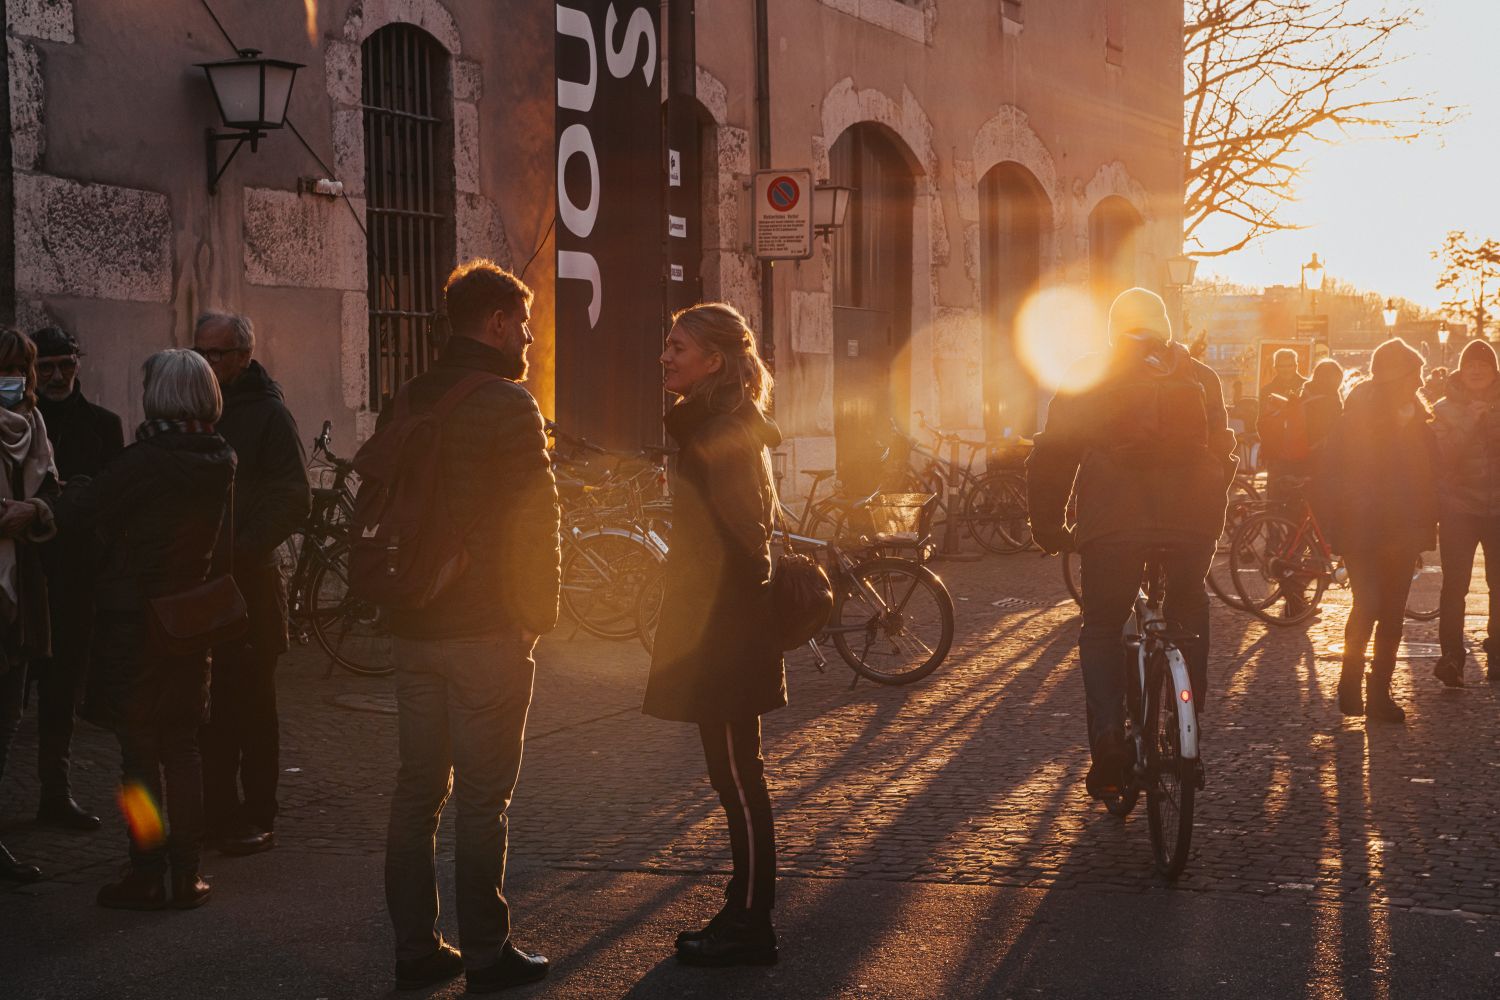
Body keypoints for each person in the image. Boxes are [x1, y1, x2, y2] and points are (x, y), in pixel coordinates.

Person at [381, 260, 559, 994]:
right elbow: (536, 520)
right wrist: (536, 618)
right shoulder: (509, 402)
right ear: (494, 323)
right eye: (522, 322)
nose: (527, 335)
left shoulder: (411, 396)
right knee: (484, 798)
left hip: (411, 622)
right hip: (485, 628)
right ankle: (487, 953)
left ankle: (415, 950)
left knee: (417, 790)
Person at [1027, 288, 1235, 798]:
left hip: (1114, 524)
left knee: (1101, 626)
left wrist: (1048, 527)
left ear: (1113, 330)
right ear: (1165, 328)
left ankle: (1109, 743)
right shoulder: (1199, 376)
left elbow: (1053, 456)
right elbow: (1224, 450)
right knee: (1190, 605)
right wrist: (1205, 514)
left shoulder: (1090, 374)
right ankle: (1189, 721)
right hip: (1191, 522)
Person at [54, 350, 235, 909]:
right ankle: (187, 874)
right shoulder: (221, 457)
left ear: (159, 396)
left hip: (133, 621)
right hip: (187, 619)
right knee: (182, 747)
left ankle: (146, 870)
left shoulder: (146, 460)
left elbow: (79, 512)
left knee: (137, 753)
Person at [644, 302, 786, 967]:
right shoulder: (711, 425)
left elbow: (746, 546)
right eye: (667, 346)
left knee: (738, 776)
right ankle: (744, 910)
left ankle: (751, 923)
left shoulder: (718, 432)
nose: (667, 356)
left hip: (726, 636)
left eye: (678, 347)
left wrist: (707, 621)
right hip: (721, 630)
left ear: (714, 362)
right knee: (731, 776)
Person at [192, 312, 309, 856]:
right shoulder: (198, 411)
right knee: (212, 711)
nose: (209, 363)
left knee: (255, 709)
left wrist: (242, 546)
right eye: (202, 352)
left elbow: (294, 498)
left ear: (243, 355)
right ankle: (218, 812)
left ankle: (259, 810)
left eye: (218, 354)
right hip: (204, 586)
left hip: (253, 589)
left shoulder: (268, 415)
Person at [28, 326, 124, 831]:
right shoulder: (15, 424)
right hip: (22, 576)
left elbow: (113, 500)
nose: (58, 376)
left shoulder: (104, 425)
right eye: (47, 367)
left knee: (63, 690)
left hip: (75, 577)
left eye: (66, 364)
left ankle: (54, 793)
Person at [1320, 338, 1438, 722]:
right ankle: (1350, 679)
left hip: (1401, 528)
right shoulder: (1356, 418)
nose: (1419, 383)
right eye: (1413, 375)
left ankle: (1378, 692)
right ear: (1393, 377)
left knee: (1391, 613)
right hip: (1363, 528)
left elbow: (1428, 476)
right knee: (1368, 602)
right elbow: (1338, 472)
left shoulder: (1418, 418)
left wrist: (1424, 527)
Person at [0, 328, 62, 883]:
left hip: (24, 590)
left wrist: (35, 513)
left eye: (22, 366)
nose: (14, 376)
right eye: (4, 366)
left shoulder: (36, 427)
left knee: (8, 713)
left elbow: (52, 494)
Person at [1431, 340, 1500, 686]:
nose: (1476, 370)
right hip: (1459, 508)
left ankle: (1499, 653)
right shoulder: (1443, 409)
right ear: (1461, 369)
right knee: (1454, 586)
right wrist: (1471, 422)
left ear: (1494, 371)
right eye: (1470, 364)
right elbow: (1444, 457)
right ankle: (1452, 657)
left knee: (1499, 585)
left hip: (1499, 509)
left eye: (1483, 365)